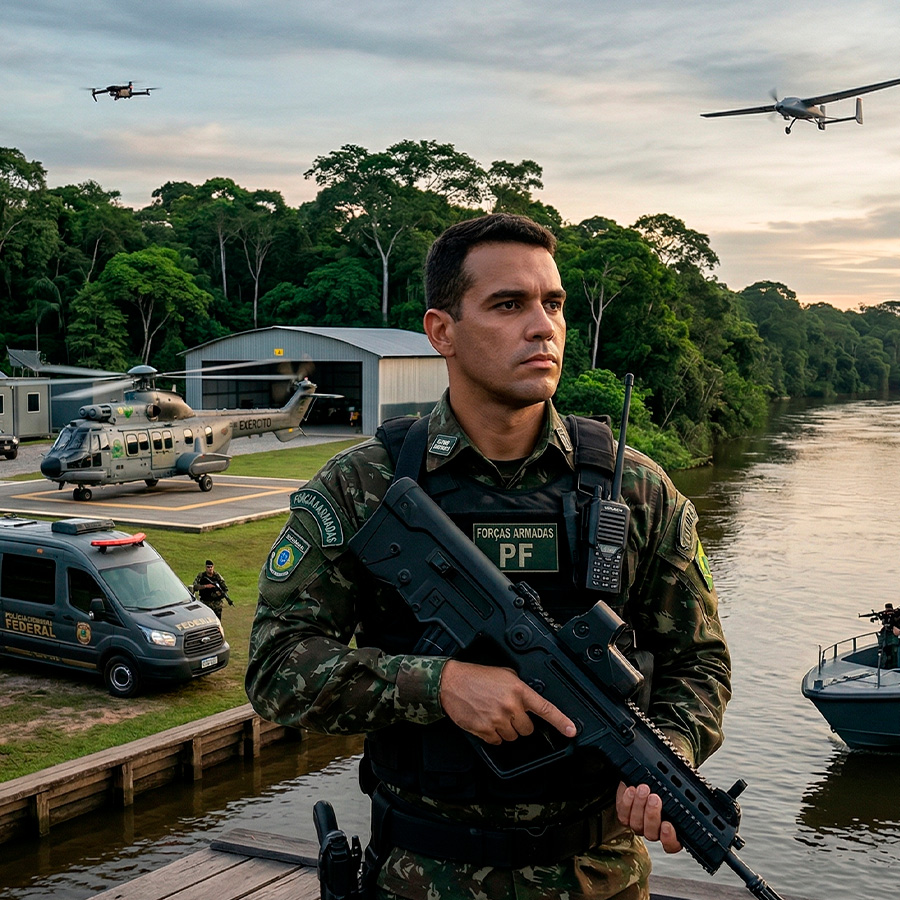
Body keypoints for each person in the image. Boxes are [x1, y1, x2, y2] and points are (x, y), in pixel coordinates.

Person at [246, 213, 731, 900]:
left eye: (553, 304)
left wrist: (671, 751)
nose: (542, 327)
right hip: (420, 878)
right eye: (508, 305)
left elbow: (700, 662)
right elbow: (275, 667)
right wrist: (439, 684)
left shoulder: (637, 491)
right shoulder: (367, 485)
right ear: (442, 331)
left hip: (600, 881)